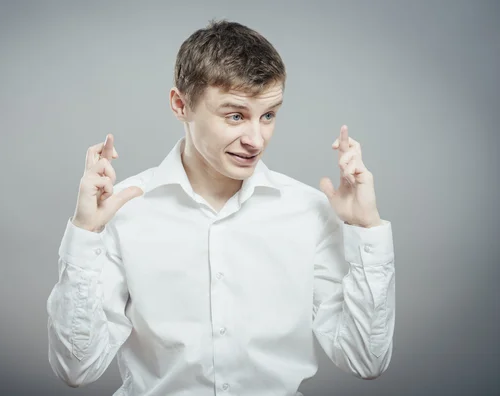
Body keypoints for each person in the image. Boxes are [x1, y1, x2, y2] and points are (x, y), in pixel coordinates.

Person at [46, 19, 395, 396]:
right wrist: (84, 235)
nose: (256, 139)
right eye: (235, 116)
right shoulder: (124, 208)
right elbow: (76, 368)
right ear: (181, 105)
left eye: (269, 115)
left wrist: (366, 229)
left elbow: (365, 360)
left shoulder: (309, 211)